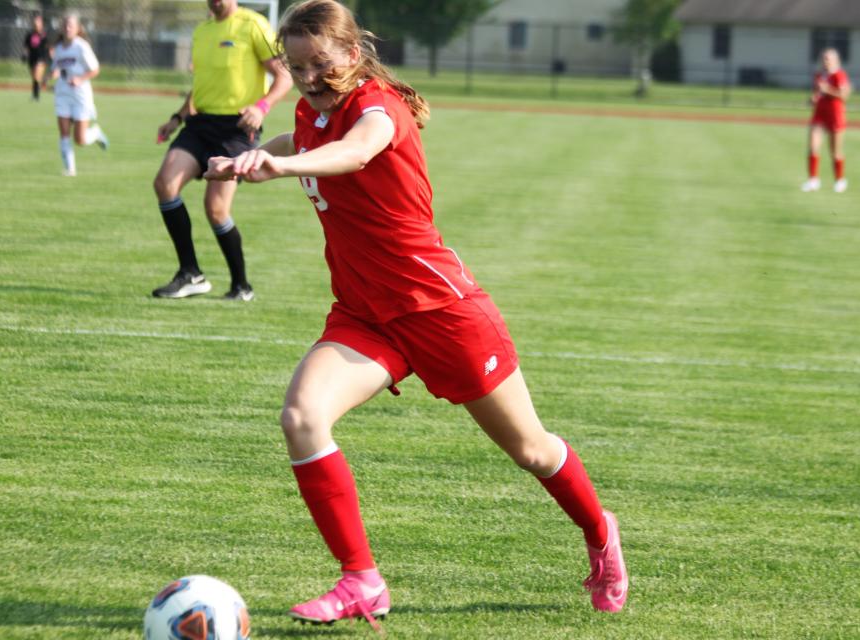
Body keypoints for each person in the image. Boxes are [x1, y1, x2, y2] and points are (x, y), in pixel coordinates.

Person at [204, 0, 628, 627]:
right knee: (301, 417)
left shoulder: (379, 106)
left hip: (440, 310)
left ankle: (600, 533)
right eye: (295, 66)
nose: (308, 77)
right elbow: (302, 135)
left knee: (533, 452)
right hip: (365, 313)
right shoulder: (308, 109)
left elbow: (356, 149)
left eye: (319, 63)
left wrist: (285, 165)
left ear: (352, 53)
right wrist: (252, 159)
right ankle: (362, 582)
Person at [150, 0, 292, 301]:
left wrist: (261, 107)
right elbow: (201, 86)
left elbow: (285, 75)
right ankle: (190, 273)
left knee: (215, 209)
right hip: (199, 125)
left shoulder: (252, 24)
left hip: (236, 129)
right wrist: (176, 119)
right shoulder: (201, 31)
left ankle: (241, 286)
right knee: (165, 184)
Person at [48, 12, 109, 177]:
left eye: (71, 26)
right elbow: (56, 68)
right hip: (62, 94)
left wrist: (80, 79)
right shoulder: (58, 48)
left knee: (80, 139)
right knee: (64, 132)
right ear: (61, 28)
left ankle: (95, 133)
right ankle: (70, 169)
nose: (67, 28)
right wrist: (50, 75)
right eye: (65, 25)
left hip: (80, 96)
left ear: (77, 29)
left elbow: (95, 69)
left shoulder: (81, 46)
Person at [802, 48, 852, 193]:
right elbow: (817, 94)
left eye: (828, 59)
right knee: (813, 146)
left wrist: (827, 89)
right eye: (823, 58)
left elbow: (844, 96)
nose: (825, 61)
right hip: (819, 114)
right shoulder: (819, 76)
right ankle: (813, 180)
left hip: (835, 115)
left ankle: (840, 180)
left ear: (836, 60)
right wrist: (812, 99)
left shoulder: (840, 75)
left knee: (835, 151)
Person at [22, 13, 52, 102]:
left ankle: (37, 96)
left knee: (36, 76)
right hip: (32, 58)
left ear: (41, 23)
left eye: (38, 21)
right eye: (34, 21)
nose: (36, 23)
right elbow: (26, 47)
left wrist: (51, 57)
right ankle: (35, 94)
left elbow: (50, 47)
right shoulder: (29, 35)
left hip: (42, 58)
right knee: (35, 78)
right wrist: (24, 54)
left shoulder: (45, 35)